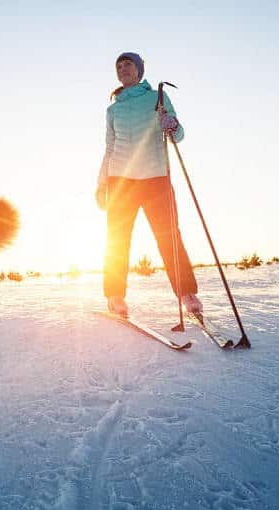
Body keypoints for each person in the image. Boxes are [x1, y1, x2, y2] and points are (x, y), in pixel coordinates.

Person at [96, 52, 202, 318]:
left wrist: (172, 124)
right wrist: (101, 184)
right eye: (119, 66)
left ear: (139, 70)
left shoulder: (157, 97)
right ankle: (115, 295)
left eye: (128, 64)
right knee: (117, 240)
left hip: (155, 176)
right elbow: (109, 149)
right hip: (121, 181)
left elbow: (178, 135)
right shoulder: (113, 109)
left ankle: (186, 294)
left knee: (169, 236)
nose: (123, 69)